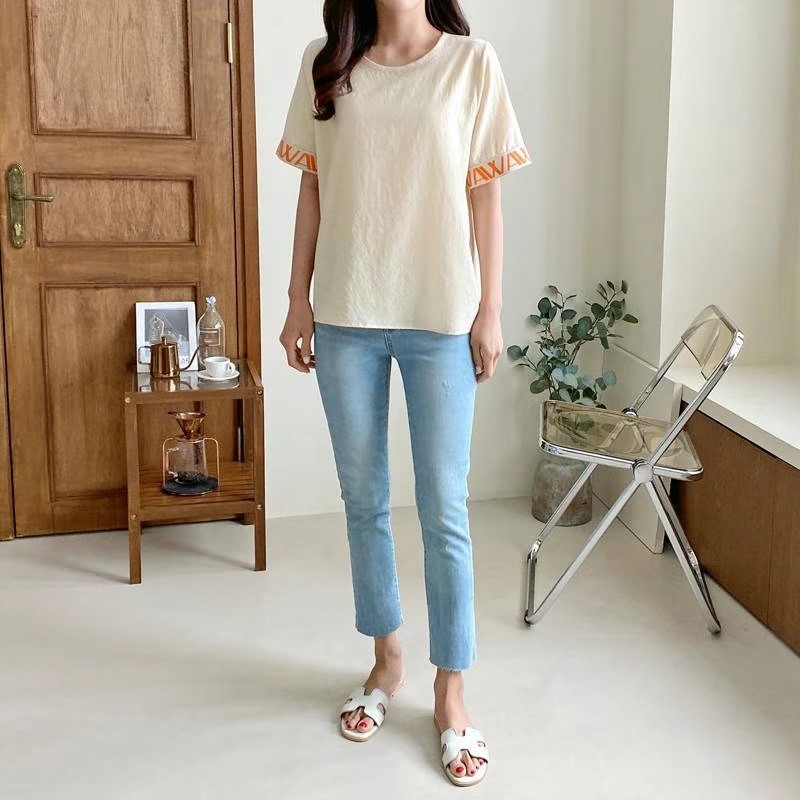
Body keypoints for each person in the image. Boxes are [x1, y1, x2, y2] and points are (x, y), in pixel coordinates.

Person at [276, 0, 530, 787]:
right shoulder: (327, 62)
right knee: (363, 499)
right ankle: (386, 661)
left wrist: (490, 310)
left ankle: (451, 691)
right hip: (345, 314)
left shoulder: (471, 64)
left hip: (441, 315)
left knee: (444, 506)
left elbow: (486, 198)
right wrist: (296, 300)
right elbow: (312, 188)